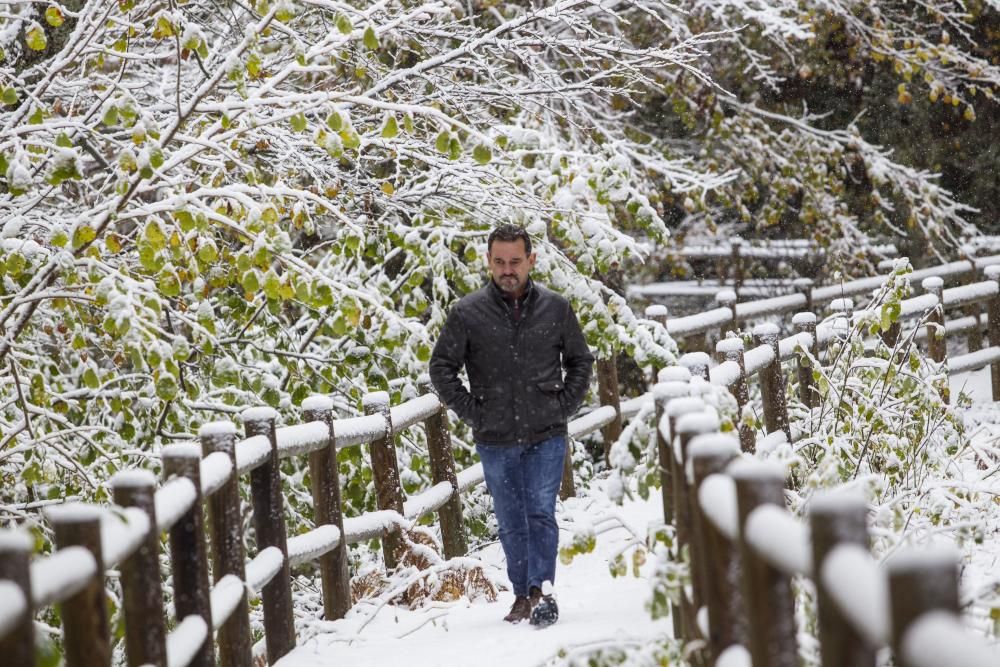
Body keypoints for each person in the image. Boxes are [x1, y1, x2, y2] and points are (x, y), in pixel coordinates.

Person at [429, 223, 595, 626]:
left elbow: (580, 362)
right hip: (495, 437)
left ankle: (542, 592)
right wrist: (474, 411)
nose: (507, 269)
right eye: (499, 262)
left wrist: (563, 408)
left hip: (546, 433)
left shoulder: (556, 308)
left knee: (540, 512)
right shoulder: (467, 313)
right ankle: (521, 593)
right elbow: (441, 368)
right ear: (488, 262)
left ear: (531, 261)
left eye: (515, 262)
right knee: (510, 519)